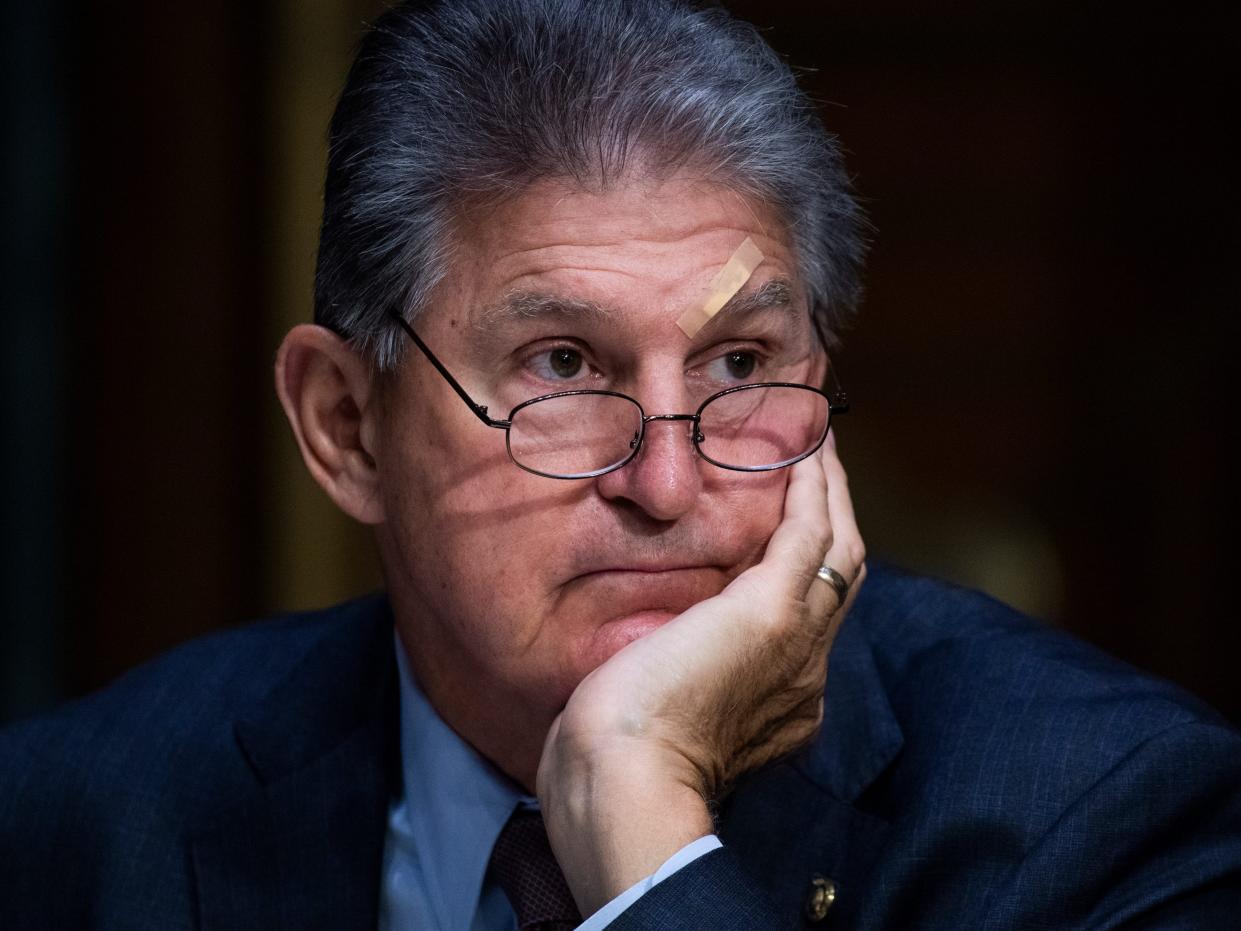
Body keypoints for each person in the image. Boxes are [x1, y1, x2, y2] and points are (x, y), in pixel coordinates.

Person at [3, 1, 1239, 928]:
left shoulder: (1100, 821)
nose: (663, 485)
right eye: (560, 365)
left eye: (740, 366)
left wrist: (644, 833)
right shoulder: (71, 821)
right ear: (346, 425)